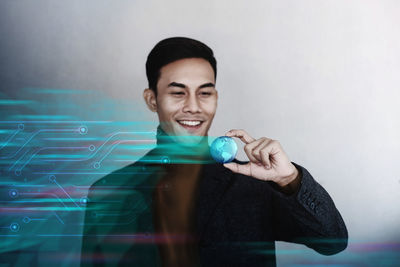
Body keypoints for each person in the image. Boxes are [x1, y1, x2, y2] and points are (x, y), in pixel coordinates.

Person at [81, 37, 348, 267]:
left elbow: (333, 241)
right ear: (152, 99)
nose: (193, 107)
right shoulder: (109, 193)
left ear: (216, 98)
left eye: (205, 93)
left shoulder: (255, 182)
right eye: (178, 93)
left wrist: (289, 179)